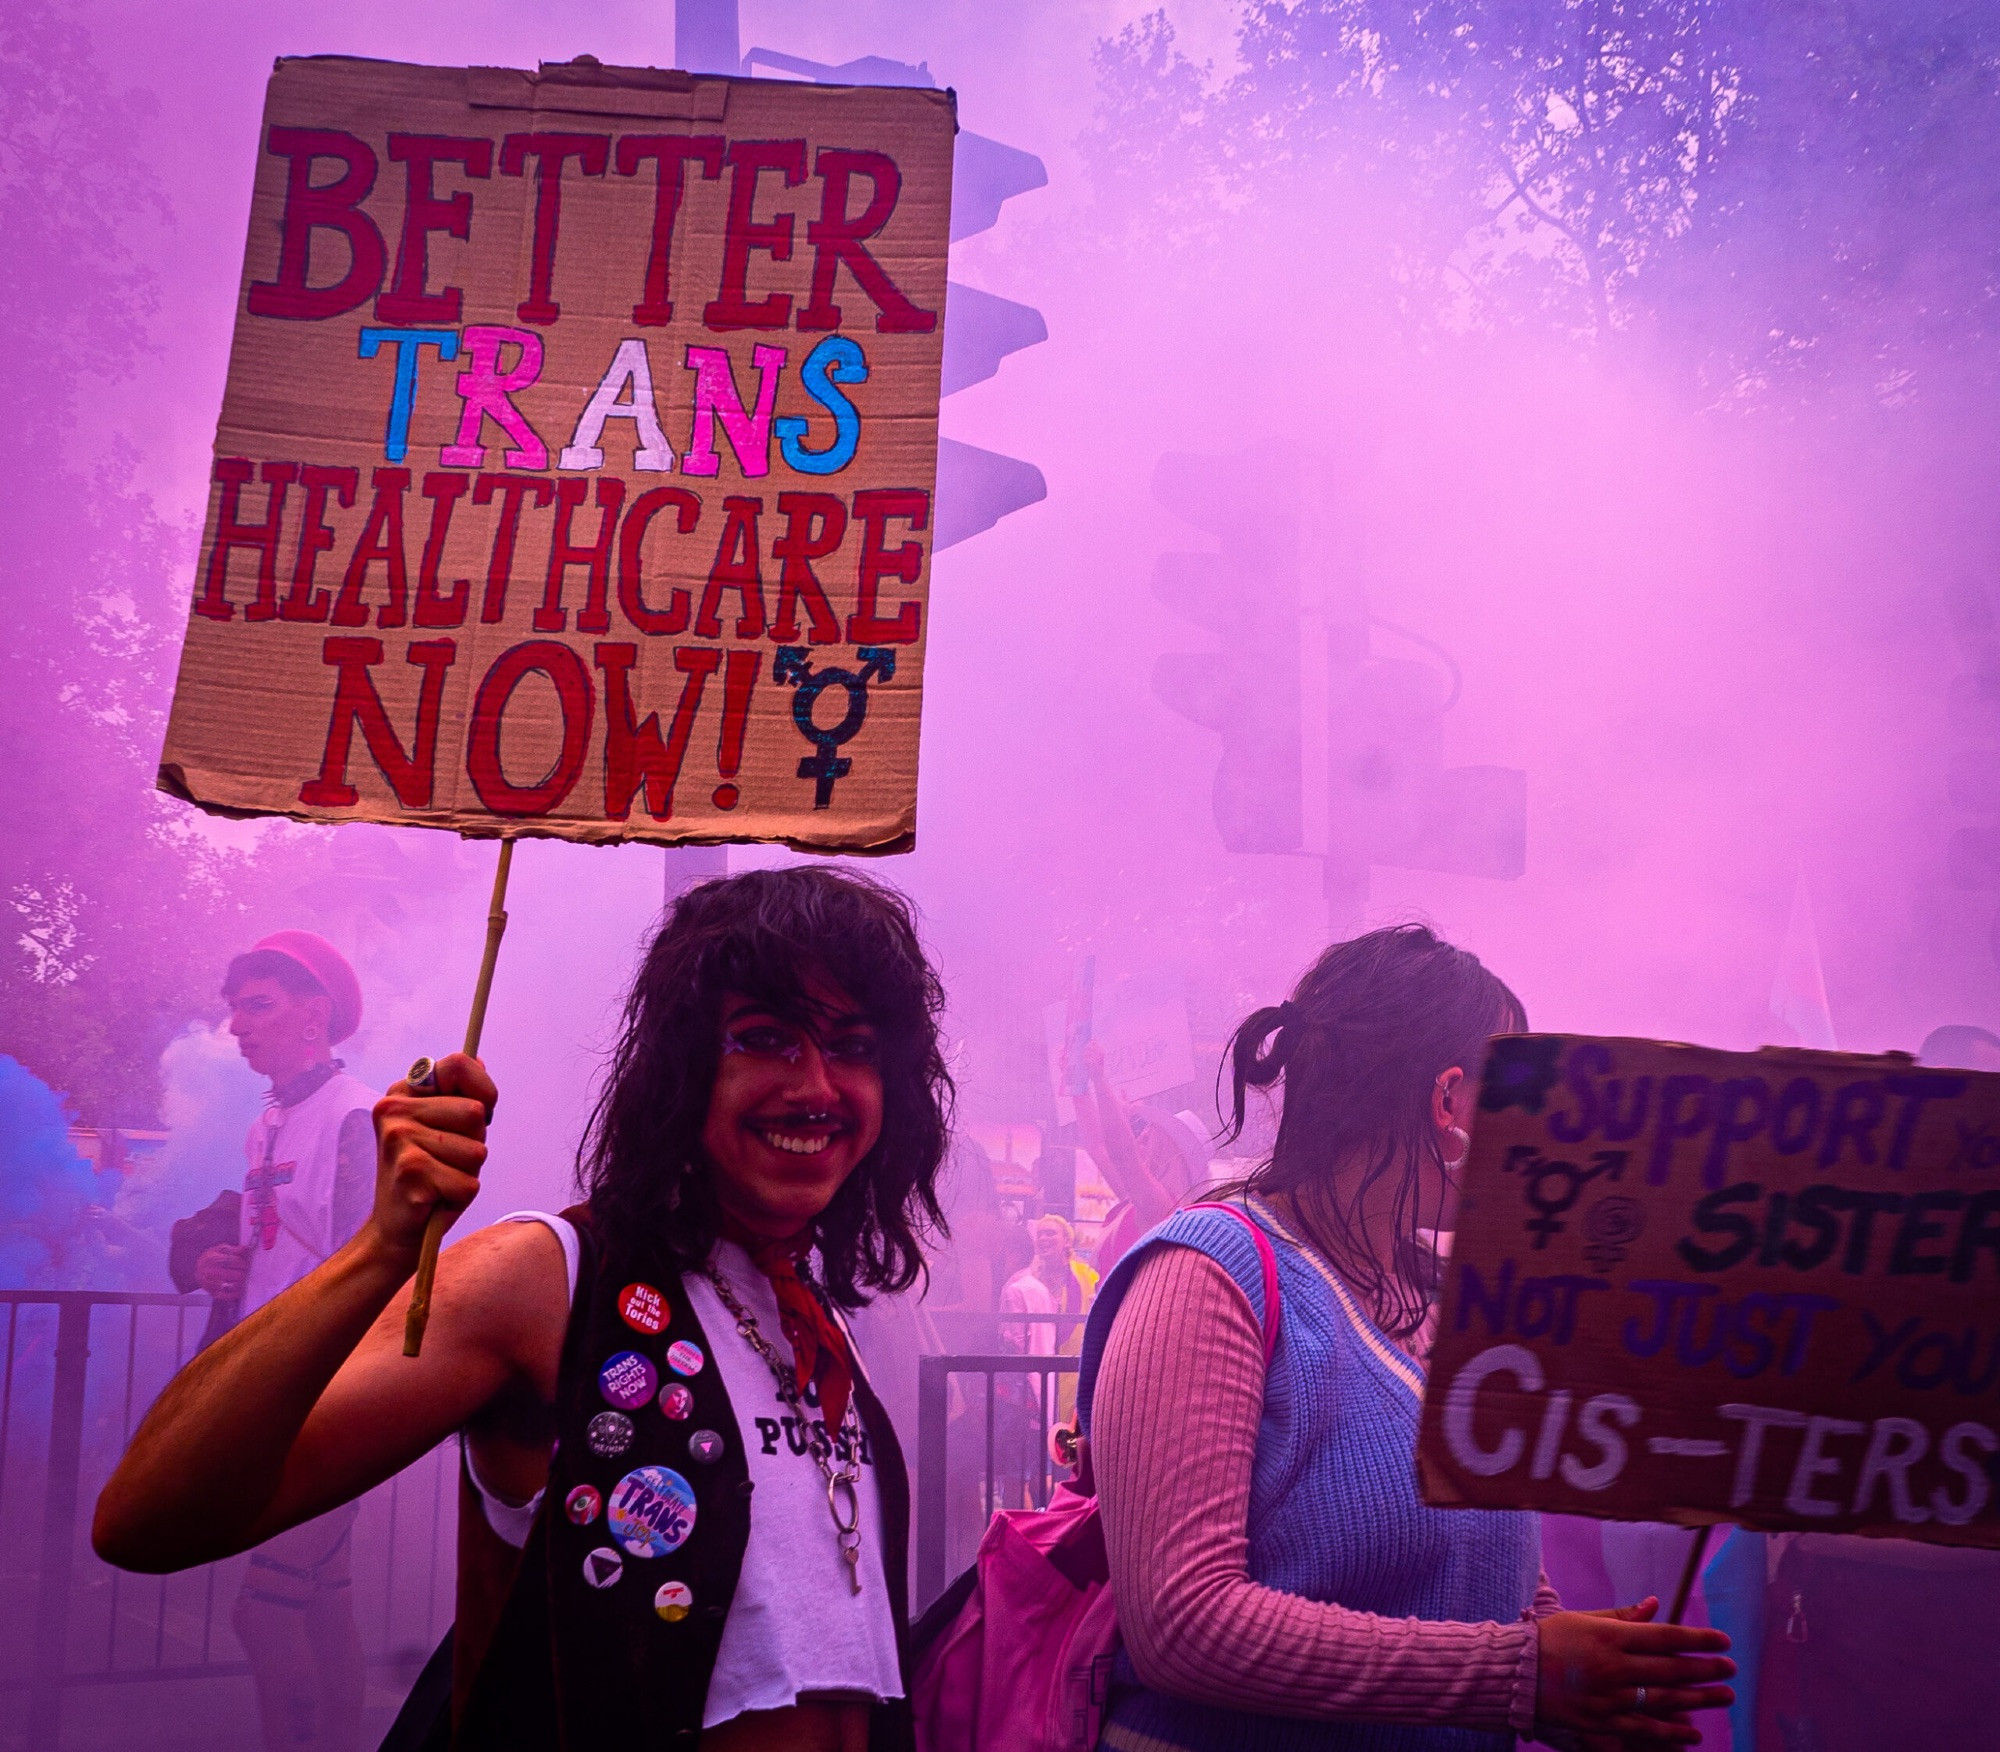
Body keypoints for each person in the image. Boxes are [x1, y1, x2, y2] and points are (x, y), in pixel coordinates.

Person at [95, 868, 953, 1752]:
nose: (815, 1085)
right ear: (682, 1069)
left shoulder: (814, 1312)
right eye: (766, 1038)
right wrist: (382, 1250)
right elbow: (149, 1518)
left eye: (852, 1046)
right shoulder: (547, 1278)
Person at [1075, 924, 1736, 1750]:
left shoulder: (1440, 1301)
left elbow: (1492, 1594)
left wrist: (1582, 1671)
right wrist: (1520, 1673)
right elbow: (1182, 1623)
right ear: (1449, 1100)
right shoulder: (1208, 1276)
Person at [166, 931, 378, 1752]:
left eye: (256, 1006)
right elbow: (278, 1239)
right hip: (269, 1382)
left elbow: (368, 1264)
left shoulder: (356, 1114)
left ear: (313, 1012)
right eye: (233, 1009)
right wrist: (220, 1260)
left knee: (265, 1609)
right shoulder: (268, 1124)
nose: (235, 1028)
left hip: (326, 1392)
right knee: (326, 1600)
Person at [1066, 1042, 1208, 1275]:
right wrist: (1075, 1082)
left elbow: (1123, 1154)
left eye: (1149, 1133)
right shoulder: (1138, 1199)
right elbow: (1098, 1146)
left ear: (1168, 1150)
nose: (1140, 1135)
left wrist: (1100, 1081)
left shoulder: (1161, 1205)